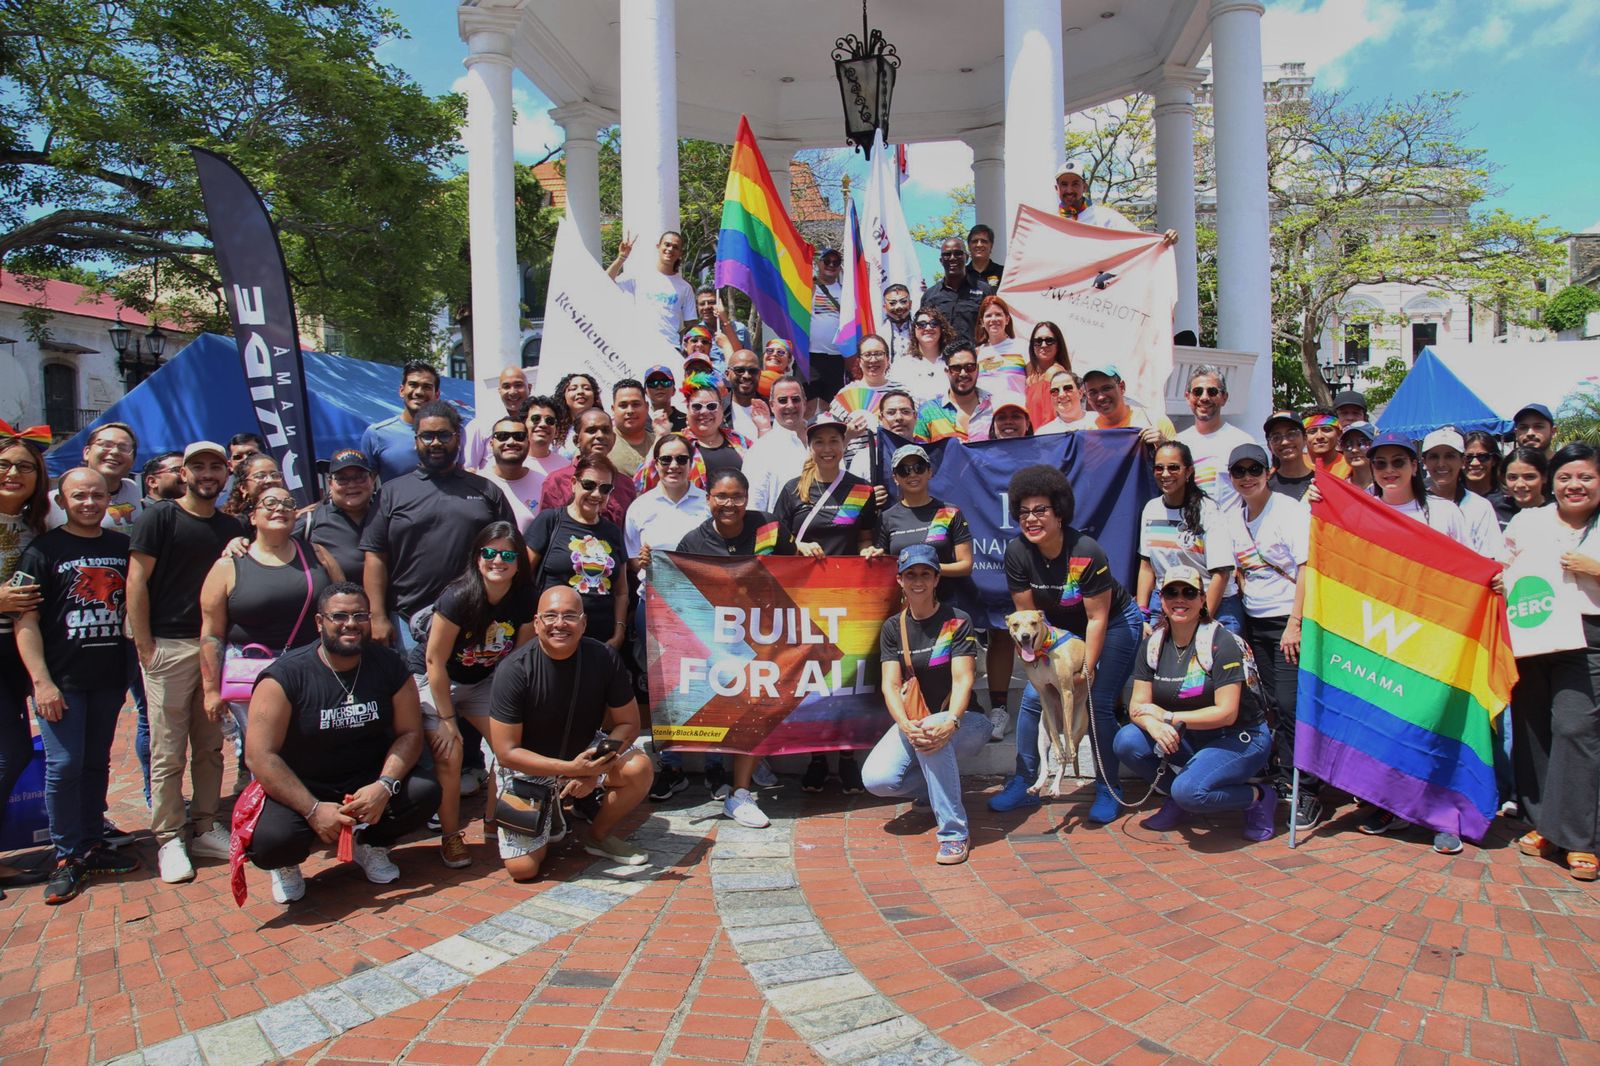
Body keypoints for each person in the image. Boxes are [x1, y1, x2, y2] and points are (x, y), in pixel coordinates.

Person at [243, 582, 443, 903]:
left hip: (366, 782)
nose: (351, 623)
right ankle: (286, 865)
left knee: (425, 791)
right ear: (319, 622)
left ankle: (370, 844)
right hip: (305, 786)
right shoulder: (284, 676)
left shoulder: (390, 664)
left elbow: (410, 733)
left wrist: (384, 786)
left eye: (360, 615)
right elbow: (260, 755)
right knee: (270, 842)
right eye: (339, 616)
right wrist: (312, 809)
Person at [994, 465, 1145, 823]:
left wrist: (1086, 670)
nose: (1031, 519)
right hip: (1059, 632)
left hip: (1113, 624)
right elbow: (1027, 618)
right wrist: (1036, 663)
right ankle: (1026, 781)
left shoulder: (1085, 551)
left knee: (1096, 700)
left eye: (1040, 510)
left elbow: (1097, 619)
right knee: (1033, 699)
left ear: (1059, 512)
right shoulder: (1017, 552)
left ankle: (1109, 787)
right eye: (1024, 512)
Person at [15, 468, 138, 903]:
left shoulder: (122, 547)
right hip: (61, 681)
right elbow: (25, 621)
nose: (89, 502)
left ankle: (91, 843)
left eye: (97, 495)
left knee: (94, 762)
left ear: (109, 499)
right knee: (65, 765)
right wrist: (41, 682)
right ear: (62, 501)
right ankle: (67, 855)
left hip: (108, 677)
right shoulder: (42, 551)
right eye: (79, 496)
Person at [1347, 432, 1472, 853]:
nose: (1389, 471)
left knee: (1434, 725)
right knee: (1390, 726)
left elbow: (1470, 568)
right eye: (1380, 463)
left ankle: (1444, 815)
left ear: (1414, 466)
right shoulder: (1361, 510)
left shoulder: (1444, 512)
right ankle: (1392, 805)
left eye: (1398, 462)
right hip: (1381, 634)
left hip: (1436, 636)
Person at [127, 441, 239, 883]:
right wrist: (144, 645)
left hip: (214, 647)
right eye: (198, 467)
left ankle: (206, 825)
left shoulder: (230, 527)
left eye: (215, 466)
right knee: (168, 750)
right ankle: (170, 836)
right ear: (184, 474)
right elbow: (137, 581)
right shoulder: (160, 517)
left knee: (210, 746)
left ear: (225, 473)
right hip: (168, 646)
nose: (207, 474)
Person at [487, 586, 654, 878]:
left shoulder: (604, 657)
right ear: (537, 622)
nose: (560, 624)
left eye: (569, 616)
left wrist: (594, 768)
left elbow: (628, 723)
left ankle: (598, 836)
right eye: (550, 616)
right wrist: (569, 769)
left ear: (584, 623)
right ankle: (548, 806)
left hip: (586, 752)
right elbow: (507, 752)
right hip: (531, 765)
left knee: (638, 767)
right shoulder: (513, 670)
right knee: (523, 869)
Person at [1113, 564, 1275, 841]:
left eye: (1189, 593)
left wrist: (1167, 717)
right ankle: (1180, 799)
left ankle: (1258, 797)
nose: (1180, 599)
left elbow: (1226, 713)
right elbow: (1138, 706)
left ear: (1202, 600)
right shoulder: (1153, 645)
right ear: (1161, 600)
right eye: (1171, 592)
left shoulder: (1220, 642)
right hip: (1190, 736)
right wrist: (1154, 726)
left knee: (1190, 791)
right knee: (1127, 741)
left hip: (1238, 738)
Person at [669, 468, 793, 820]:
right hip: (716, 644)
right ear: (708, 499)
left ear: (747, 498)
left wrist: (807, 551)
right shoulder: (693, 542)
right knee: (730, 712)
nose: (729, 503)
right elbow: (678, 592)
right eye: (721, 496)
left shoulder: (768, 527)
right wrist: (652, 566)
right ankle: (719, 775)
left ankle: (740, 793)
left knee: (756, 708)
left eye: (737, 496)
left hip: (763, 639)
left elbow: (795, 569)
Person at [1502, 443, 1600, 882]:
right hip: (1533, 631)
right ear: (1552, 482)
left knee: (1575, 728)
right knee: (1534, 728)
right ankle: (1544, 824)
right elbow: (1502, 565)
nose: (1574, 485)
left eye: (1585, 477)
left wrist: (1595, 569)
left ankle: (1581, 838)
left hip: (1588, 637)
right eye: (1565, 477)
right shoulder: (1529, 521)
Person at [412, 521, 535, 869]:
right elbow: (434, 660)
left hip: (483, 680)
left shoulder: (526, 598)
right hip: (437, 679)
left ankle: (495, 820)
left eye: (507, 555)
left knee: (510, 749)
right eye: (490, 552)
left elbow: (515, 660)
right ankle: (451, 835)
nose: (498, 561)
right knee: (450, 752)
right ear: (477, 557)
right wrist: (447, 719)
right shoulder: (458, 597)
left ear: (519, 561)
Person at [862, 545, 990, 864]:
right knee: (877, 780)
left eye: (925, 574)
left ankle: (954, 833)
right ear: (900, 580)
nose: (917, 581)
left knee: (933, 732)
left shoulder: (957, 620)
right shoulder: (894, 627)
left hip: (967, 721)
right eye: (910, 575)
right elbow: (890, 685)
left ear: (936, 579)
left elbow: (963, 680)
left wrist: (952, 721)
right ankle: (934, 788)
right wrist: (905, 725)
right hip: (917, 723)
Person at [775, 414, 882, 793]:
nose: (827, 448)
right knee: (813, 681)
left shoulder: (860, 490)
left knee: (848, 680)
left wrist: (868, 550)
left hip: (850, 601)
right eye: (819, 441)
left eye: (834, 441)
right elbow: (773, 541)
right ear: (810, 446)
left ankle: (848, 758)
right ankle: (817, 758)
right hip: (805, 601)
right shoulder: (793, 491)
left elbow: (866, 537)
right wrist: (798, 546)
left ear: (843, 445)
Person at [362, 401, 516, 650]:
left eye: (444, 435)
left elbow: (509, 551)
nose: (435, 442)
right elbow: (375, 556)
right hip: (407, 621)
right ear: (416, 441)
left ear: (458, 439)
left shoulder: (487, 491)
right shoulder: (391, 493)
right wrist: (377, 616)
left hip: (475, 617)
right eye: (427, 436)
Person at [199, 483, 341, 747]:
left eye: (288, 504)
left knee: (316, 745)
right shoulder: (228, 565)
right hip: (251, 671)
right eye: (270, 503)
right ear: (253, 516)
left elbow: (343, 605)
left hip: (312, 666)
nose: (280, 509)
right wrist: (211, 690)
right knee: (261, 749)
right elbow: (211, 633)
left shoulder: (317, 554)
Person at [1222, 444, 1316, 830]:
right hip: (1256, 622)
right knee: (1272, 704)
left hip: (1287, 622)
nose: (1247, 477)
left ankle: (1306, 788)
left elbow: (1307, 568)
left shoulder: (1289, 511)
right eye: (1239, 471)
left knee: (1293, 705)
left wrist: (1296, 623)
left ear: (1268, 471)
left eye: (1254, 470)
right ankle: (1284, 775)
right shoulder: (1233, 516)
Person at [877, 446, 994, 735]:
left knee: (949, 676)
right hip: (906, 612)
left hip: (945, 608)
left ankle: (951, 722)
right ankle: (912, 724)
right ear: (895, 477)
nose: (912, 474)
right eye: (904, 469)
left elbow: (965, 564)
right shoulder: (887, 517)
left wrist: (924, 572)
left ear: (930, 471)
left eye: (919, 467)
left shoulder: (949, 512)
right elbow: (882, 560)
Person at [627, 436, 713, 798]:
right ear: (656, 463)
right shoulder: (640, 507)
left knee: (708, 682)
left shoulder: (707, 504)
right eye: (666, 459)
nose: (673, 466)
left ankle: (714, 765)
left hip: (700, 608)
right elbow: (633, 561)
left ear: (691, 462)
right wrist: (641, 563)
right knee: (664, 687)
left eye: (681, 459)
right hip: (654, 607)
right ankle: (671, 764)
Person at [0, 421, 51, 896]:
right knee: (11, 751)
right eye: (4, 465)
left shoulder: (39, 525)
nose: (13, 474)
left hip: (22, 650)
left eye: (24, 467)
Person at [526, 454, 629, 651]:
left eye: (605, 489)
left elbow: (621, 591)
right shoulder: (550, 521)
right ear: (574, 483)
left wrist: (619, 633)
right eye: (589, 485)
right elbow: (523, 577)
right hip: (555, 636)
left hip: (601, 642)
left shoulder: (612, 532)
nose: (596, 494)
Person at [1137, 442, 1240, 632]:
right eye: (1159, 468)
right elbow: (1146, 567)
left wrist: (1201, 621)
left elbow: (1221, 574)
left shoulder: (1208, 510)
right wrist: (1142, 615)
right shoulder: (1151, 509)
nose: (1165, 474)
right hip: (1167, 603)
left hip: (1213, 605)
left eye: (1173, 467)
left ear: (1189, 471)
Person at [1174, 366, 1255, 511]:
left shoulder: (1242, 442)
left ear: (1224, 398)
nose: (1204, 398)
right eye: (1197, 391)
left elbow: (1255, 494)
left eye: (1212, 391)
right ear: (1188, 397)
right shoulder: (1178, 443)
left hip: (1229, 525)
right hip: (1186, 523)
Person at [540, 409, 638, 526]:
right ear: (576, 440)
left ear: (614, 439)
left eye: (606, 430)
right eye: (591, 430)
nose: (600, 435)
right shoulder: (556, 481)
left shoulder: (626, 485)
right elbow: (547, 528)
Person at [1421, 428, 1508, 560]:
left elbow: (1490, 557)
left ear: (1462, 461)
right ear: (1424, 462)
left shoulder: (1480, 506)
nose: (1441, 464)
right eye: (1434, 457)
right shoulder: (1413, 502)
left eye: (1450, 456)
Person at [295, 449, 376, 580]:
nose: (352, 484)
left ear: (372, 479)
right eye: (342, 479)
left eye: (359, 477)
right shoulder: (310, 522)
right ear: (330, 484)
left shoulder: (389, 515)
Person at [49, 422, 142, 533]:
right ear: (87, 452)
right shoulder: (52, 502)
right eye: (106, 445)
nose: (115, 452)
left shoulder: (132, 488)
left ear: (133, 460)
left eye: (124, 448)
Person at [609, 231, 697, 348]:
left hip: (671, 348)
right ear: (658, 246)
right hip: (641, 346)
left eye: (675, 247)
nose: (670, 249)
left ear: (680, 253)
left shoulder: (685, 287)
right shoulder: (639, 276)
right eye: (667, 244)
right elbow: (606, 281)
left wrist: (678, 342)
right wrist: (621, 257)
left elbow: (691, 323)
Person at [360, 360, 441, 484]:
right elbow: (363, 485)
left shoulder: (454, 434)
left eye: (427, 387)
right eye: (413, 385)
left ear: (437, 395)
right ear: (402, 390)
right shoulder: (376, 434)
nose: (419, 392)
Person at [745, 375, 811, 514]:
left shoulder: (822, 443)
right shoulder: (760, 450)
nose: (790, 405)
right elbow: (753, 507)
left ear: (805, 403)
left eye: (795, 399)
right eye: (782, 400)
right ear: (772, 405)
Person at [479, 415, 546, 534]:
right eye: (502, 436)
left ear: (528, 443)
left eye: (519, 436)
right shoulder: (478, 482)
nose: (511, 442)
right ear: (491, 444)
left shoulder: (544, 484)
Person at [1082, 365, 1174, 446]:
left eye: (1107, 388)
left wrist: (1163, 444)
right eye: (1093, 393)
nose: (1100, 397)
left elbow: (1178, 458)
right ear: (1087, 397)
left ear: (1122, 387)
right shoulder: (1086, 432)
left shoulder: (1154, 421)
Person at [920, 238, 988, 346]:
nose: (952, 258)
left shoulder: (984, 291)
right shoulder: (929, 296)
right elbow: (923, 331)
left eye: (958, 253)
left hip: (976, 354)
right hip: (942, 356)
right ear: (941, 261)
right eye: (947, 254)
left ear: (967, 258)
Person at [679, 375, 747, 481]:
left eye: (711, 406)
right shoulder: (676, 444)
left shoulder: (740, 440)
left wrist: (763, 429)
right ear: (687, 409)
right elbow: (651, 479)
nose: (704, 412)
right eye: (697, 406)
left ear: (721, 408)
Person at [462, 367, 531, 471]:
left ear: (529, 388)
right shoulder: (480, 426)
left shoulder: (539, 425)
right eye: (506, 386)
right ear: (499, 391)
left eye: (518, 385)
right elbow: (468, 469)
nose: (512, 392)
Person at [808, 247, 847, 402]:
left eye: (836, 262)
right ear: (819, 263)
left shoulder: (847, 291)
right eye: (827, 261)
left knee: (834, 404)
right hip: (810, 356)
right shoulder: (807, 288)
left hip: (837, 358)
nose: (831, 265)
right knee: (807, 404)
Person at [893, 307, 953, 405]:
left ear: (941, 329)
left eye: (934, 323)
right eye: (921, 324)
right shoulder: (901, 365)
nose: (928, 328)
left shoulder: (953, 362)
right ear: (914, 330)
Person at [936, 343, 994, 443]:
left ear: (977, 369)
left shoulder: (994, 405)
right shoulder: (929, 411)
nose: (963, 373)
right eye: (956, 368)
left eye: (970, 367)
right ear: (947, 371)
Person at [1023, 321, 1072, 429]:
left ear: (1058, 345)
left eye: (1049, 341)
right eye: (1038, 341)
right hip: (1028, 435)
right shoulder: (1029, 369)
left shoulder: (1055, 372)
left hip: (1045, 435)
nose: (1043, 345)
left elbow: (1050, 417)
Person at [974, 295, 1023, 398]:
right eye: (988, 315)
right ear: (982, 322)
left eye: (998, 314)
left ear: (1007, 319)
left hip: (1016, 407)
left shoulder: (1022, 347)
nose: (993, 319)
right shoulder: (977, 353)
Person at [608, 379, 657, 479]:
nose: (630, 411)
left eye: (636, 404)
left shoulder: (660, 444)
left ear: (647, 407)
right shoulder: (602, 444)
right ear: (613, 409)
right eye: (623, 405)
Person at [220, 452, 285, 527]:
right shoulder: (237, 525)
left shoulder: (292, 515)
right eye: (260, 476)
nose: (270, 480)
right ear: (244, 487)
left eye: (275, 475)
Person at [1263, 411, 1314, 501]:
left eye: (1292, 434)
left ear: (1305, 438)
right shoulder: (1264, 488)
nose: (1284, 442)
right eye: (1276, 437)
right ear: (1269, 446)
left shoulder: (1321, 483)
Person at [725, 349, 774, 441]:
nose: (746, 376)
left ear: (759, 374)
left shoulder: (773, 409)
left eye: (753, 371)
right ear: (727, 374)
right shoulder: (717, 410)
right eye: (739, 370)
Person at [521, 394, 574, 478]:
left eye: (550, 420)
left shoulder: (566, 467)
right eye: (535, 418)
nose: (543, 424)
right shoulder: (510, 462)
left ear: (556, 429)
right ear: (523, 424)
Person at [1499, 447, 1550, 525]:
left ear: (1544, 477)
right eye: (1513, 477)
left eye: (1529, 477)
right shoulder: (1496, 510)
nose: (1520, 484)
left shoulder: (1556, 513)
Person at [555, 373, 601, 456]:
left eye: (586, 388)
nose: (580, 392)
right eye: (573, 389)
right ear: (564, 396)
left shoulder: (606, 428)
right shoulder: (554, 429)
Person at [1036, 370, 1093, 434]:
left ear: (1080, 393)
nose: (1061, 395)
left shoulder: (1098, 420)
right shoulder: (1043, 433)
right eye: (1054, 391)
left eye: (1068, 388)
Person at [1302, 406, 1351, 479]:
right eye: (1312, 431)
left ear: (1339, 433)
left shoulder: (1350, 465)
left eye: (1326, 430)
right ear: (1303, 437)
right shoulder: (1292, 465)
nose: (1319, 436)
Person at [1339, 421, 1376, 491]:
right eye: (1347, 444)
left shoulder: (1386, 487)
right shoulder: (1339, 488)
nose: (1354, 450)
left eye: (1363, 443)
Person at [882, 283, 915, 360]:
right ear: (885, 307)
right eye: (892, 303)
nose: (898, 307)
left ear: (910, 304)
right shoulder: (879, 333)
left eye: (903, 301)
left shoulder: (921, 330)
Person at [966, 224, 1003, 290]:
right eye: (975, 241)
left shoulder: (1002, 273)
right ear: (969, 246)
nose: (979, 245)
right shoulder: (962, 274)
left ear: (991, 246)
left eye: (984, 241)